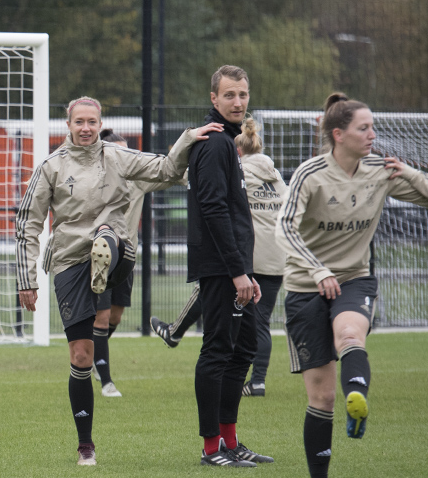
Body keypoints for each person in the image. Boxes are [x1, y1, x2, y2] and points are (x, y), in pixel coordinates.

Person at [15, 95, 217, 466]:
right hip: (69, 263)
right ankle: (85, 445)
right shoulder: (51, 167)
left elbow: (168, 169)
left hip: (118, 252)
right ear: (69, 125)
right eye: (80, 122)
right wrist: (26, 279)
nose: (87, 128)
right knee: (80, 355)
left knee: (107, 236)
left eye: (92, 121)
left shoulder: (117, 157)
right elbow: (28, 223)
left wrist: (191, 137)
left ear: (100, 122)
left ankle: (103, 251)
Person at [275, 92, 428, 478]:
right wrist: (317, 270)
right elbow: (284, 229)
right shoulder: (310, 174)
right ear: (338, 134)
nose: (373, 135)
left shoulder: (380, 170)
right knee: (322, 397)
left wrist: (409, 172)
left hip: (353, 280)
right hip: (305, 286)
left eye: (373, 127)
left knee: (349, 334)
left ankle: (358, 393)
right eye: (364, 128)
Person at [150, 116, 288, 398]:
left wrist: (186, 146)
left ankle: (176, 333)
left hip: (245, 257)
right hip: (277, 258)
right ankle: (258, 380)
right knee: (259, 322)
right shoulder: (277, 179)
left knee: (212, 299)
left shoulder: (234, 170)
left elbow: (192, 178)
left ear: (235, 151)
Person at [186, 65, 271, 467]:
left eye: (243, 94)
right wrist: (238, 271)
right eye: (229, 95)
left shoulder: (228, 143)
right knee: (218, 350)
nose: (238, 102)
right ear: (214, 99)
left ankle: (231, 441)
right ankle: (210, 448)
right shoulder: (213, 143)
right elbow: (214, 209)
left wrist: (247, 269)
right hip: (221, 267)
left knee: (246, 346)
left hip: (236, 265)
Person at [90, 128, 203, 398]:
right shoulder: (94, 180)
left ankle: (95, 354)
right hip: (100, 256)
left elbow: (172, 173)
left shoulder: (137, 179)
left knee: (116, 315)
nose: (128, 156)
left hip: (127, 258)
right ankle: (106, 380)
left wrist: (200, 171)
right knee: (102, 317)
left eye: (129, 150)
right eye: (122, 151)